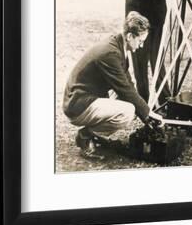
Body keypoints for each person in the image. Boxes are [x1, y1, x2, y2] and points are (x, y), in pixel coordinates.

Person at [63, 11, 162, 159]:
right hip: (78, 105)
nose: (141, 46)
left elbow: (127, 84)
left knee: (133, 104)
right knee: (128, 112)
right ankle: (86, 136)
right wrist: (147, 113)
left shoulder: (118, 45)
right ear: (130, 37)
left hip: (85, 97)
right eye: (140, 41)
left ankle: (92, 134)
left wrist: (145, 113)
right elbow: (125, 89)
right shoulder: (111, 54)